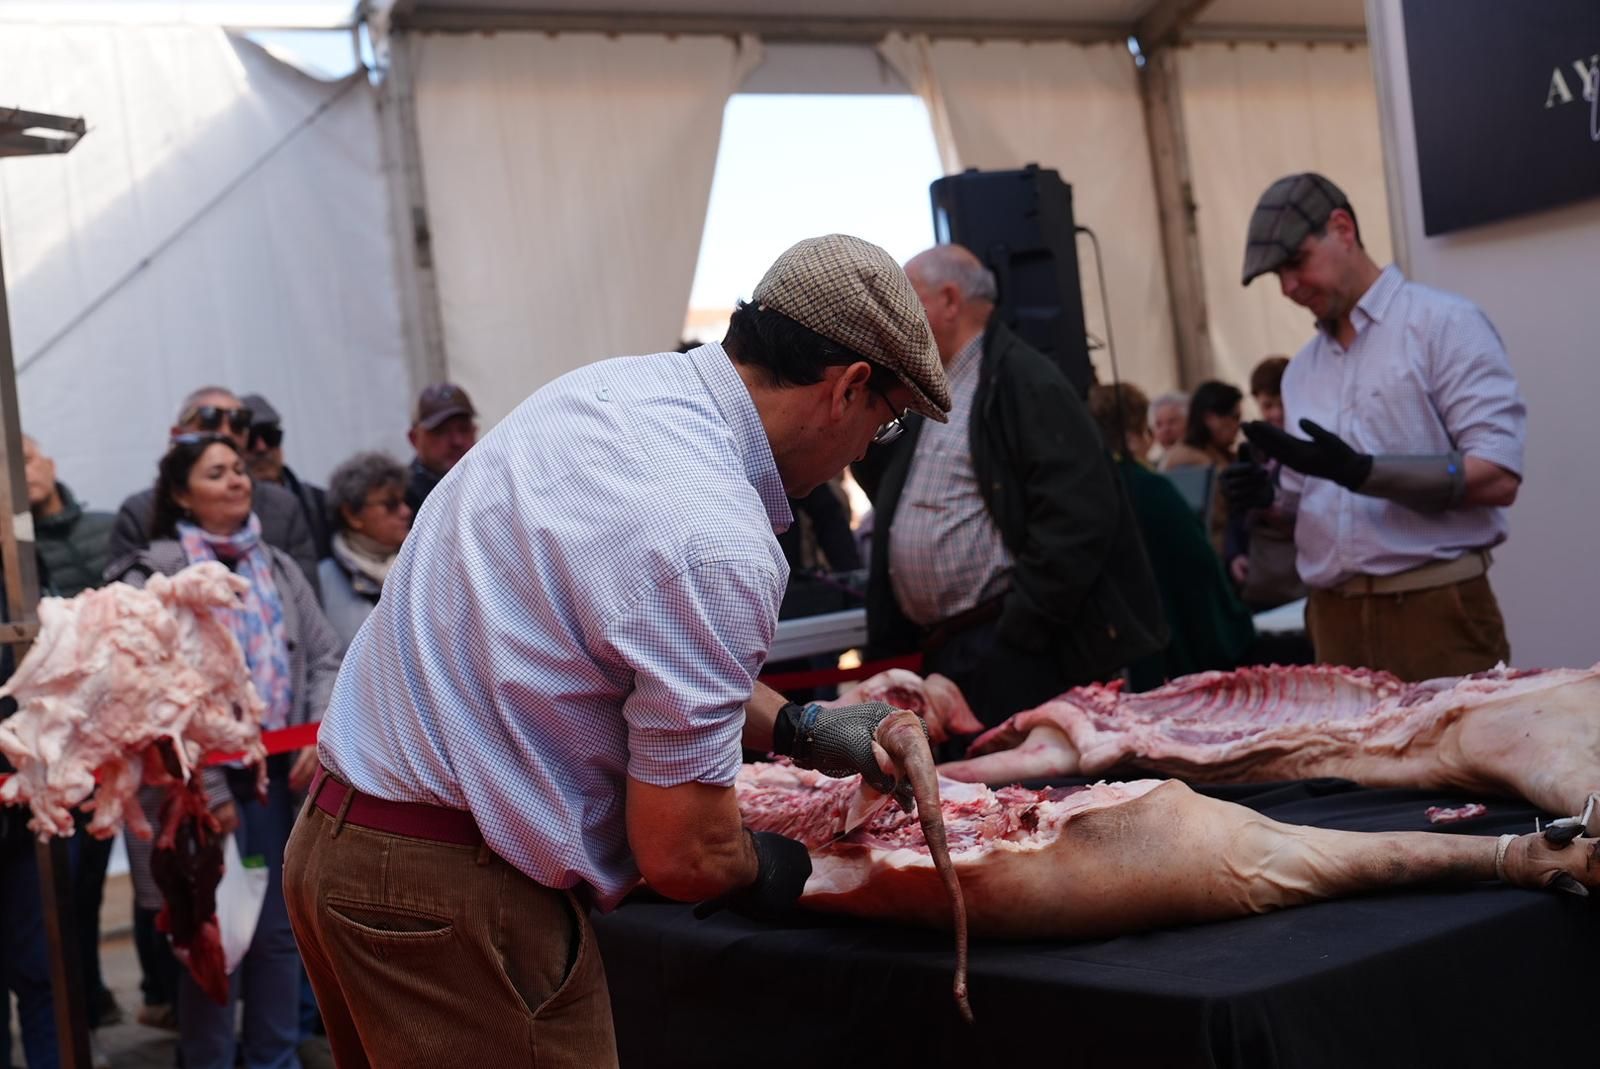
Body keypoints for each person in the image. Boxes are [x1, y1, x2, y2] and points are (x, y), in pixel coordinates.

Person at [283, 234, 954, 1067]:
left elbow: (626, 646)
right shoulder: (719, 538)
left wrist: (803, 729)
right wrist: (783, 866)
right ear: (848, 387)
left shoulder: (604, 393)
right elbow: (684, 852)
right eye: (881, 425)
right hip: (452, 894)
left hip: (339, 853)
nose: (863, 452)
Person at [1222, 172, 1525, 681]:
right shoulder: (1301, 370)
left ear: (1343, 228)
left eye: (1295, 263)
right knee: (1344, 766)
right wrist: (1265, 503)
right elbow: (1305, 505)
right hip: (1330, 618)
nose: (1289, 288)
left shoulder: (1444, 324)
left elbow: (1498, 476)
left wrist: (1365, 472)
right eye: (1279, 275)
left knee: (1453, 763)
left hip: (1436, 611)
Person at [110, 433, 342, 1069]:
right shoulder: (152, 573)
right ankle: (209, 1060)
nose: (238, 481)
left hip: (277, 780)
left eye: (241, 469)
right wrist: (203, 788)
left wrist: (318, 728)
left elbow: (324, 655)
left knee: (276, 936)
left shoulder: (278, 564)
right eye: (217, 473)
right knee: (209, 937)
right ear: (183, 493)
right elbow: (145, 687)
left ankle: (275, 1058)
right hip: (192, 789)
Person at [862, 243, 1165, 728]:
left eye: (908, 299)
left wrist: (1022, 627)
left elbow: (1078, 515)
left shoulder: (1023, 379)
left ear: (949, 301)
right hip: (953, 647)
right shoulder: (936, 387)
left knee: (1026, 798)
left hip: (1008, 646)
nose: (896, 316)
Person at [21, 434, 126, 1034]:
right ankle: (79, 1003)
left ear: (52, 462)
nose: (24, 473)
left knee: (94, 878)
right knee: (60, 884)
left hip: (115, 737)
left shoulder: (107, 528)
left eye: (27, 458)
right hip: (53, 743)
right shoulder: (12, 551)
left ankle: (93, 994)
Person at [1088, 383, 1256, 690]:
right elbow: (1200, 573)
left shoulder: (1081, 488)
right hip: (1160, 661)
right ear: (1139, 430)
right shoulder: (1148, 489)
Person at [109, 387, 321, 597]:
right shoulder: (142, 522)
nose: (226, 431)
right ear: (177, 435)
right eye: (210, 419)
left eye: (239, 422)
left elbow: (311, 616)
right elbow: (124, 615)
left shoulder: (281, 525)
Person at [1224, 357, 1307, 610]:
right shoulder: (1254, 451)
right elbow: (1236, 512)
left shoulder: (1309, 449)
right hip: (1262, 577)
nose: (1277, 413)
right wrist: (1235, 553)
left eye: (1283, 403)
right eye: (1268, 405)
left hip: (1300, 577)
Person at [319, 452, 412, 646]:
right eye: (391, 505)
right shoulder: (323, 581)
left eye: (405, 501)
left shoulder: (419, 566)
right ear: (352, 514)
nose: (406, 512)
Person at [241, 393, 334, 561]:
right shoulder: (230, 513)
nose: (261, 448)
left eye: (270, 436)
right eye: (250, 439)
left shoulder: (321, 503)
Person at [1160, 379, 1244, 555]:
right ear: (1210, 419)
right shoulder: (1186, 461)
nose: (1238, 426)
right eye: (1234, 418)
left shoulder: (1217, 454)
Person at [405, 382, 477, 514]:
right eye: (440, 431)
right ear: (414, 438)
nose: (457, 441)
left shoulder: (492, 481)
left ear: (475, 431)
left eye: (464, 429)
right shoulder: (401, 502)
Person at [1148, 391, 1188, 464]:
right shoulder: (1153, 467)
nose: (1165, 430)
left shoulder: (1204, 461)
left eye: (1172, 422)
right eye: (1159, 424)